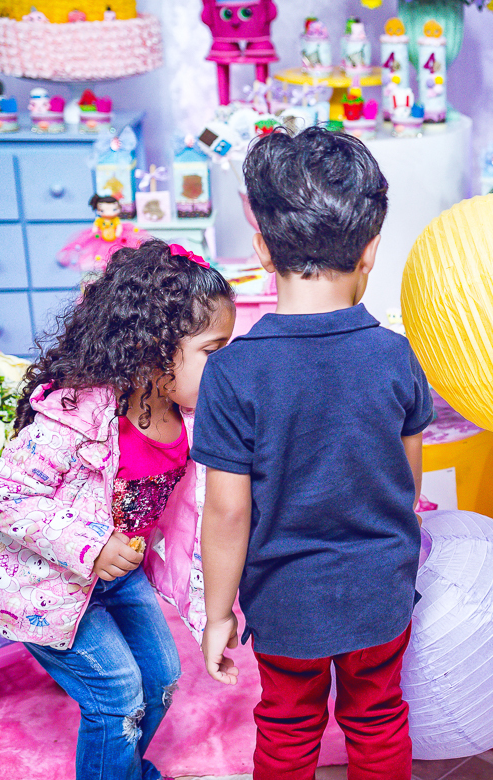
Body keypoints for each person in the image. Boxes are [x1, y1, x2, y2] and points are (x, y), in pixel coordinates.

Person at [195, 127, 431, 780]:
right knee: (378, 719)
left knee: (287, 728)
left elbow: (227, 514)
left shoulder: (231, 373)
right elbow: (408, 484)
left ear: (262, 248)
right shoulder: (397, 356)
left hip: (284, 603)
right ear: (371, 249)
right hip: (380, 593)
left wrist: (218, 614)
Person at [0, 240, 236, 780]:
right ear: (155, 348)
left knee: (160, 678)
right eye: (214, 350)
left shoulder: (188, 418)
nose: (228, 367)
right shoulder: (80, 409)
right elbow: (5, 494)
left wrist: (213, 614)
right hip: (43, 579)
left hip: (116, 576)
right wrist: (93, 545)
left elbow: (195, 524)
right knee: (117, 694)